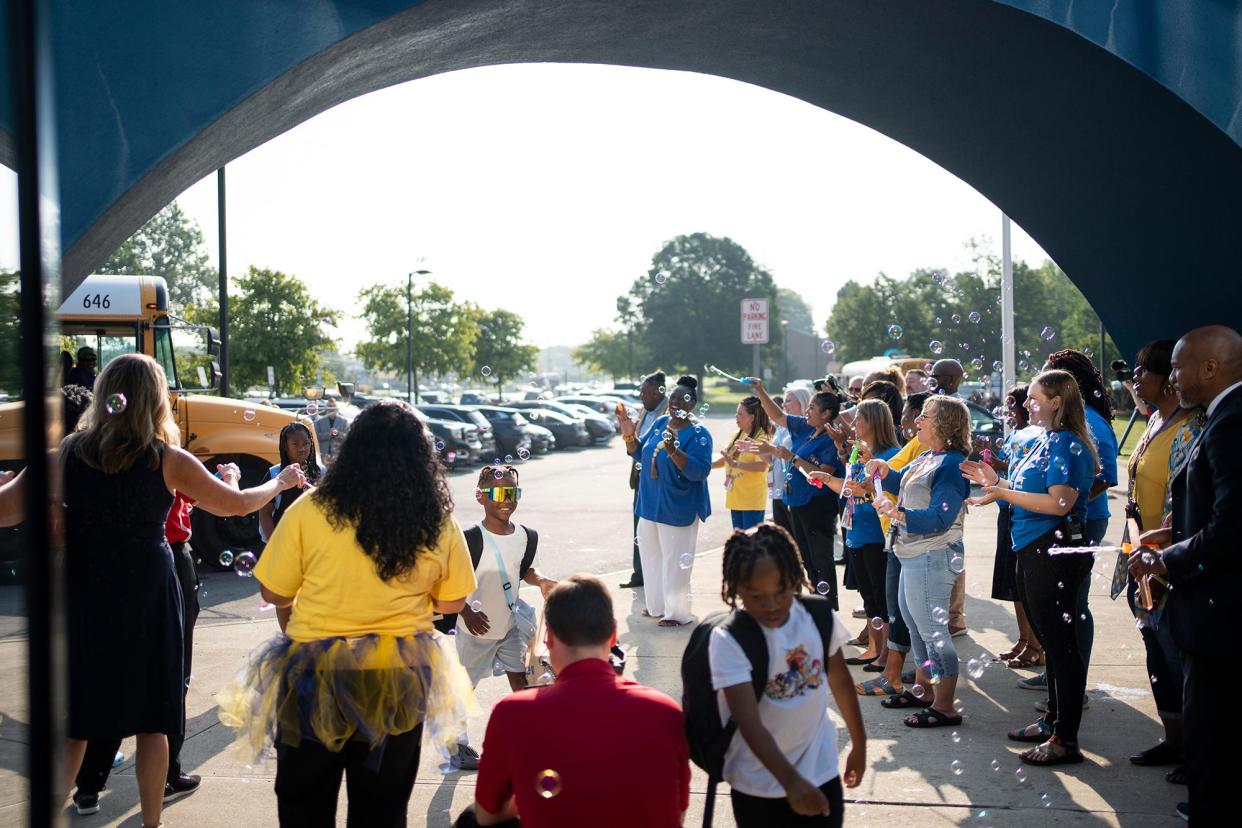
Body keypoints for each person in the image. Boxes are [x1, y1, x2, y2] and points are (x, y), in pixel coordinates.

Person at [41, 353, 305, 828]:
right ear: (156, 400)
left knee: (80, 721)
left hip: (87, 592)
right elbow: (236, 505)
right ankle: (151, 824)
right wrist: (279, 482)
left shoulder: (67, 454)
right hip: (147, 592)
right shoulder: (166, 459)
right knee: (153, 718)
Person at [218, 400, 478, 827]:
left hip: (314, 672)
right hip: (398, 674)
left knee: (305, 805)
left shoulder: (310, 508)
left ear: (353, 449)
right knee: (382, 810)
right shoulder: (436, 519)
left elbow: (273, 590)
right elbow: (452, 603)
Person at [460, 574, 690, 827]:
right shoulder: (664, 712)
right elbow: (676, 815)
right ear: (613, 636)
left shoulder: (513, 713)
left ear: (548, 640)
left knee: (469, 820)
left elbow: (486, 814)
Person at [1129, 324, 1242, 823]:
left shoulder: (1232, 422)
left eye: (1177, 366)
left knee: (1213, 727)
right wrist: (1172, 533)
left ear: (1210, 367)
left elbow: (1233, 529)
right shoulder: (1223, 416)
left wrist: (1166, 558)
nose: (1171, 377)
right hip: (1218, 608)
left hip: (1222, 614)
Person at [960, 369, 1098, 765]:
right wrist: (996, 483)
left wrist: (1004, 490)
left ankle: (1065, 739)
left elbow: (1059, 503)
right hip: (1031, 548)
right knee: (1051, 641)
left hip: (1053, 553)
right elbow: (1022, 496)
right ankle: (1054, 719)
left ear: (1057, 401)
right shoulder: (1042, 440)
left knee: (1061, 645)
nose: (1026, 404)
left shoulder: (1068, 444)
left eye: (1035, 397)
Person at [708, 525, 865, 826]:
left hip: (821, 772)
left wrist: (859, 743)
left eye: (781, 591)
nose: (771, 605)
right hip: (758, 785)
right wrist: (791, 782)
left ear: (794, 579)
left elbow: (841, 681)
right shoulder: (730, 639)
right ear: (736, 589)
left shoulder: (817, 616)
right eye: (756, 596)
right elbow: (749, 722)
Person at [1111, 340, 1202, 785]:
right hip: (1142, 559)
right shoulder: (1155, 421)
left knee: (1179, 656)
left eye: (1141, 370)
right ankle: (1173, 738)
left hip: (1171, 561)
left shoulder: (1192, 427)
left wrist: (1162, 545)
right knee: (1156, 656)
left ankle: (1196, 750)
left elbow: (1187, 500)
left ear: (1168, 377)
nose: (1134, 379)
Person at [863, 395, 971, 728]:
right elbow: (900, 481)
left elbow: (940, 516)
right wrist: (884, 470)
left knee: (933, 631)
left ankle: (945, 706)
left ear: (945, 424)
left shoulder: (952, 464)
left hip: (932, 555)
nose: (917, 421)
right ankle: (924, 690)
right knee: (915, 627)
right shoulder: (929, 456)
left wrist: (898, 513)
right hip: (912, 554)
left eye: (925, 416)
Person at [450, 464, 557, 770]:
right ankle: (456, 744)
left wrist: (542, 581)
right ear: (480, 496)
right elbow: (450, 579)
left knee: (520, 678)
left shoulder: (525, 536)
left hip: (509, 623)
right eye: (497, 492)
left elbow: (522, 570)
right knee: (464, 686)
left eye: (512, 492)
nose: (505, 499)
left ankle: (531, 733)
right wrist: (465, 611)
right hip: (476, 627)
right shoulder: (470, 538)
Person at [1039, 349, 1118, 696]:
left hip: (1083, 523)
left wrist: (1069, 503)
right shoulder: (1070, 419)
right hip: (1066, 519)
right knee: (1059, 605)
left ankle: (1074, 684)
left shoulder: (1090, 421)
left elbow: (1106, 475)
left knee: (1074, 604)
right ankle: (1057, 675)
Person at [617, 375, 711, 626]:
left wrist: (673, 450)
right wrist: (628, 434)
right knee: (651, 558)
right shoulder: (659, 423)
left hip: (678, 507)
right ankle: (656, 607)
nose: (676, 401)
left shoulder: (699, 432)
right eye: (674, 397)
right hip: (649, 505)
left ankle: (678, 614)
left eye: (683, 398)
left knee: (675, 562)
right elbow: (639, 453)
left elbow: (699, 471)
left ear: (692, 404)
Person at [742, 380, 845, 608]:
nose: (807, 412)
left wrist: (792, 458)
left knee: (820, 558)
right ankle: (817, 604)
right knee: (807, 558)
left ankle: (827, 608)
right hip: (796, 502)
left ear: (826, 414)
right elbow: (778, 417)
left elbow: (823, 475)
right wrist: (759, 390)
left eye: (812, 408)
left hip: (818, 505)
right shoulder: (806, 428)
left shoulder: (831, 440)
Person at [836, 400, 900, 667]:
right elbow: (850, 487)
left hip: (877, 535)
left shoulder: (890, 455)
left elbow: (884, 491)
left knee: (880, 597)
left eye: (858, 419)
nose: (853, 425)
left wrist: (866, 487)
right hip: (856, 531)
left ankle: (885, 652)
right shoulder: (858, 453)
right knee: (868, 596)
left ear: (873, 421)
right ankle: (874, 647)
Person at [988, 384, 1045, 668]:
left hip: (1025, 516)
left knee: (1026, 586)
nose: (1009, 410)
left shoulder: (1040, 437)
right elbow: (1011, 470)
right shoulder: (1017, 435)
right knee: (1013, 583)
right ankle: (1025, 639)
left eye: (1013, 404)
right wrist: (991, 461)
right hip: (1009, 512)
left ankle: (1036, 644)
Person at [924, 360, 968, 636]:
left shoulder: (951, 410)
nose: (930, 381)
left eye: (935, 377)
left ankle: (954, 617)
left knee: (951, 552)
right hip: (933, 485)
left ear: (951, 380)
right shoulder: (936, 405)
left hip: (947, 490)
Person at [621, 371, 668, 589]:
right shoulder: (644, 412)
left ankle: (656, 575)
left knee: (656, 529)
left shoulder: (671, 412)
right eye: (641, 392)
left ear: (659, 392)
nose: (641, 396)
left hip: (659, 480)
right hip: (641, 478)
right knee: (639, 527)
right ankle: (639, 574)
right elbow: (638, 448)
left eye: (645, 392)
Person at [712, 396, 773, 530]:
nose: (736, 417)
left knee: (750, 545)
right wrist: (707, 466)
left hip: (752, 500)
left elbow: (763, 466)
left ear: (752, 417)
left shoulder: (762, 437)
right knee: (739, 543)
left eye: (740, 414)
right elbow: (727, 460)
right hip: (735, 499)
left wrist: (736, 465)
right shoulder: (737, 434)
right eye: (736, 413)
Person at [258, 421, 324, 544]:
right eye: (295, 444)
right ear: (285, 446)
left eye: (306, 443)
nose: (302, 448)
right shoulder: (275, 474)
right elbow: (265, 511)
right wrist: (274, 543)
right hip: (284, 539)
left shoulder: (321, 472)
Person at [769, 387, 810, 536]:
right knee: (783, 538)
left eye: (789, 400)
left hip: (795, 490)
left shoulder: (806, 428)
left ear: (802, 403)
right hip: (779, 488)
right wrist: (756, 448)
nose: (784, 404)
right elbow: (773, 457)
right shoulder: (781, 428)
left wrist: (768, 448)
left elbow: (790, 454)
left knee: (797, 537)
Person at [314, 400, 350, 466]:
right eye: (329, 406)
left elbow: (348, 437)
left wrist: (337, 433)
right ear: (326, 408)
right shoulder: (319, 421)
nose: (331, 409)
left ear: (336, 408)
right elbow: (316, 437)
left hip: (338, 454)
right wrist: (329, 434)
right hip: (323, 454)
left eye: (333, 406)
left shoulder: (344, 421)